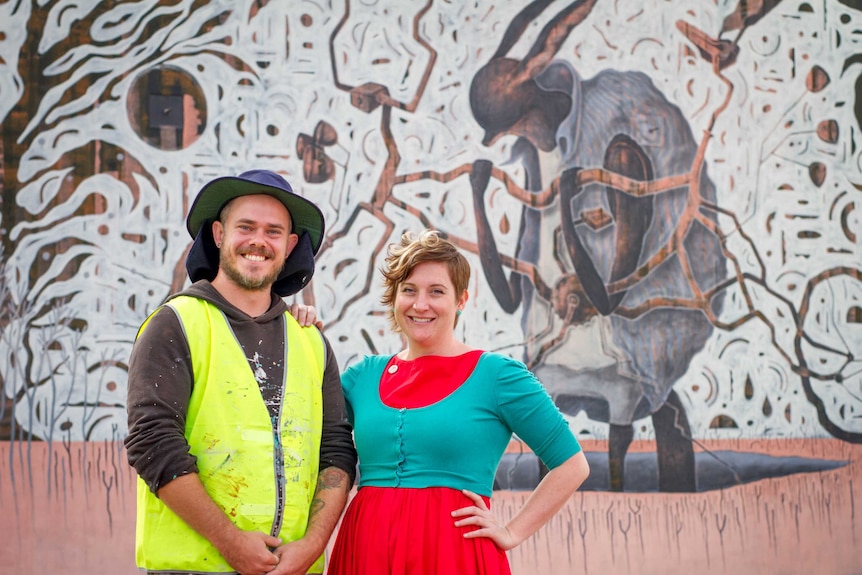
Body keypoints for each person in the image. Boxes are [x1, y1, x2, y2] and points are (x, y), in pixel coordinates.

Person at [125, 169, 357, 575]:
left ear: (289, 245)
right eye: (245, 227)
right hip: (194, 568)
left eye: (273, 232)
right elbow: (153, 444)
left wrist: (313, 545)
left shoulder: (311, 341)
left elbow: (336, 451)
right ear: (218, 234)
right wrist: (230, 543)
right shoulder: (176, 323)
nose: (258, 242)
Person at [326, 229, 590, 574]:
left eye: (437, 292)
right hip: (365, 550)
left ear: (461, 300)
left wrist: (511, 531)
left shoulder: (498, 376)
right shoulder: (362, 377)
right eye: (409, 290)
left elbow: (572, 465)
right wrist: (301, 326)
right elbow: (303, 428)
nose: (421, 304)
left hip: (454, 555)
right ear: (394, 297)